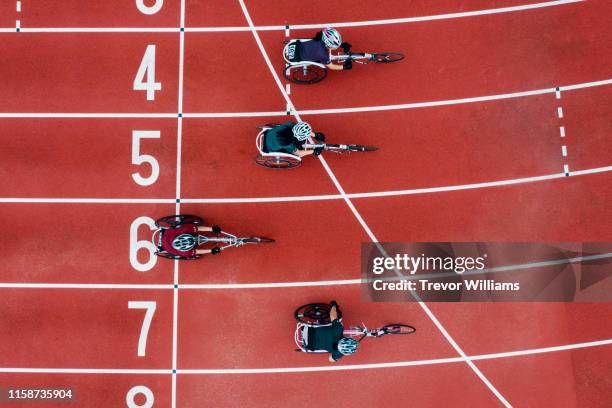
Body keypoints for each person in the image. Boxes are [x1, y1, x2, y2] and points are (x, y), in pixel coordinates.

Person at [158, 223, 224, 258]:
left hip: (167, 234)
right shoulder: (186, 252)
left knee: (189, 228)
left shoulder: (184, 230)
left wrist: (212, 229)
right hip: (164, 247)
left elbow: (197, 228)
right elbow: (197, 251)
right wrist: (211, 250)